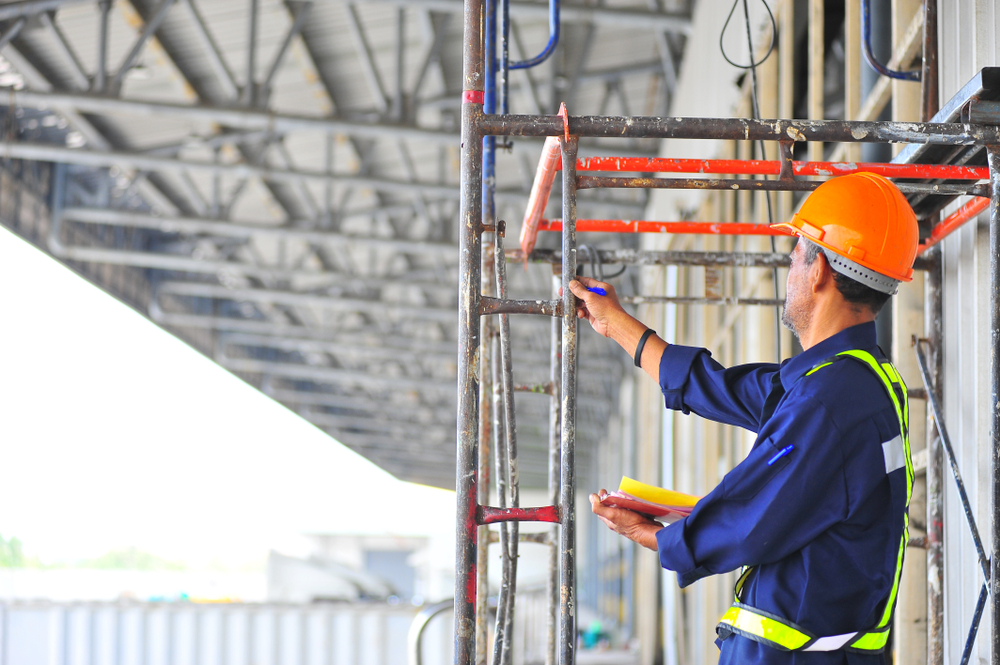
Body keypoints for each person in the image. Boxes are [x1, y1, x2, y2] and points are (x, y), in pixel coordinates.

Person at [568, 172, 919, 665]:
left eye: (794, 255)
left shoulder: (829, 402)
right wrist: (615, 324)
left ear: (818, 271)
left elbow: (749, 518)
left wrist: (651, 535)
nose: (789, 271)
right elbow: (713, 386)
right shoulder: (854, 381)